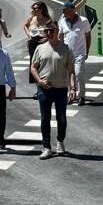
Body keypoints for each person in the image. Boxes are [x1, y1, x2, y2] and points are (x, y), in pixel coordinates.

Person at [30, 23, 77, 159]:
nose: (49, 33)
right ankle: (46, 147)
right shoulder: (40, 48)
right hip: (44, 89)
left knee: (61, 118)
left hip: (61, 89)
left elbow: (71, 71)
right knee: (45, 118)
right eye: (47, 31)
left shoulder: (66, 49)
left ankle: (60, 141)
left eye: (51, 30)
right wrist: (39, 81)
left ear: (58, 31)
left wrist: (73, 88)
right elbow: (33, 68)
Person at [59, 2, 91, 104]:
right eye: (63, 11)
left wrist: (87, 51)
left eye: (66, 10)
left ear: (73, 10)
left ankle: (82, 96)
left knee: (79, 74)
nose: (64, 13)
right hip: (66, 53)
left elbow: (88, 36)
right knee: (68, 75)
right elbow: (60, 36)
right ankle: (71, 94)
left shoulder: (84, 21)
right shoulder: (62, 21)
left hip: (80, 53)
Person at [22, 1, 53, 68]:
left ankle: (42, 77)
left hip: (43, 42)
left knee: (43, 62)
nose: (35, 10)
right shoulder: (31, 19)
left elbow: (53, 31)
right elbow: (25, 26)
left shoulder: (48, 20)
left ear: (42, 9)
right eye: (34, 8)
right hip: (32, 41)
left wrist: (47, 38)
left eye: (37, 8)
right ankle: (32, 78)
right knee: (33, 62)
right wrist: (29, 35)